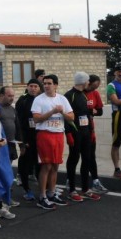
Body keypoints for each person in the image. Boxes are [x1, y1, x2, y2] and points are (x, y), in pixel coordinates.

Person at [31, 74, 74, 209]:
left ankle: (51, 192)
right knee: (46, 166)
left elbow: (71, 117)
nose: (47, 86)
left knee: (55, 165)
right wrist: (53, 111)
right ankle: (42, 196)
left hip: (58, 134)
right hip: (45, 134)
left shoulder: (62, 99)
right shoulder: (39, 100)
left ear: (55, 85)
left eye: (49, 83)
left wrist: (62, 113)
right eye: (45, 83)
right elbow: (36, 119)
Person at [64, 72, 101, 202]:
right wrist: (68, 134)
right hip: (75, 132)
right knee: (74, 159)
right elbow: (66, 116)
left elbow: (86, 114)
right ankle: (72, 189)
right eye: (87, 81)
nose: (88, 84)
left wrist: (91, 131)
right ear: (83, 82)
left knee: (87, 159)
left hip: (85, 132)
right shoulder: (70, 95)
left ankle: (85, 188)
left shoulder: (83, 96)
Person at [15, 79, 42, 201]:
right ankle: (27, 189)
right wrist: (22, 141)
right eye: (31, 86)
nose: (33, 88)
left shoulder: (42, 99)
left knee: (40, 164)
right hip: (27, 137)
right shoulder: (23, 100)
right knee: (25, 162)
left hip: (40, 136)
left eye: (36, 86)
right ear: (27, 87)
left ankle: (43, 188)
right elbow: (18, 122)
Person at [84, 75, 109, 193]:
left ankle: (95, 181)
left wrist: (93, 111)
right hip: (78, 130)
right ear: (87, 83)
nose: (94, 89)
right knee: (76, 156)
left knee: (91, 156)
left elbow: (100, 111)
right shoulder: (78, 93)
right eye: (93, 86)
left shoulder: (95, 94)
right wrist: (89, 110)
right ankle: (71, 181)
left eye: (97, 87)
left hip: (90, 129)